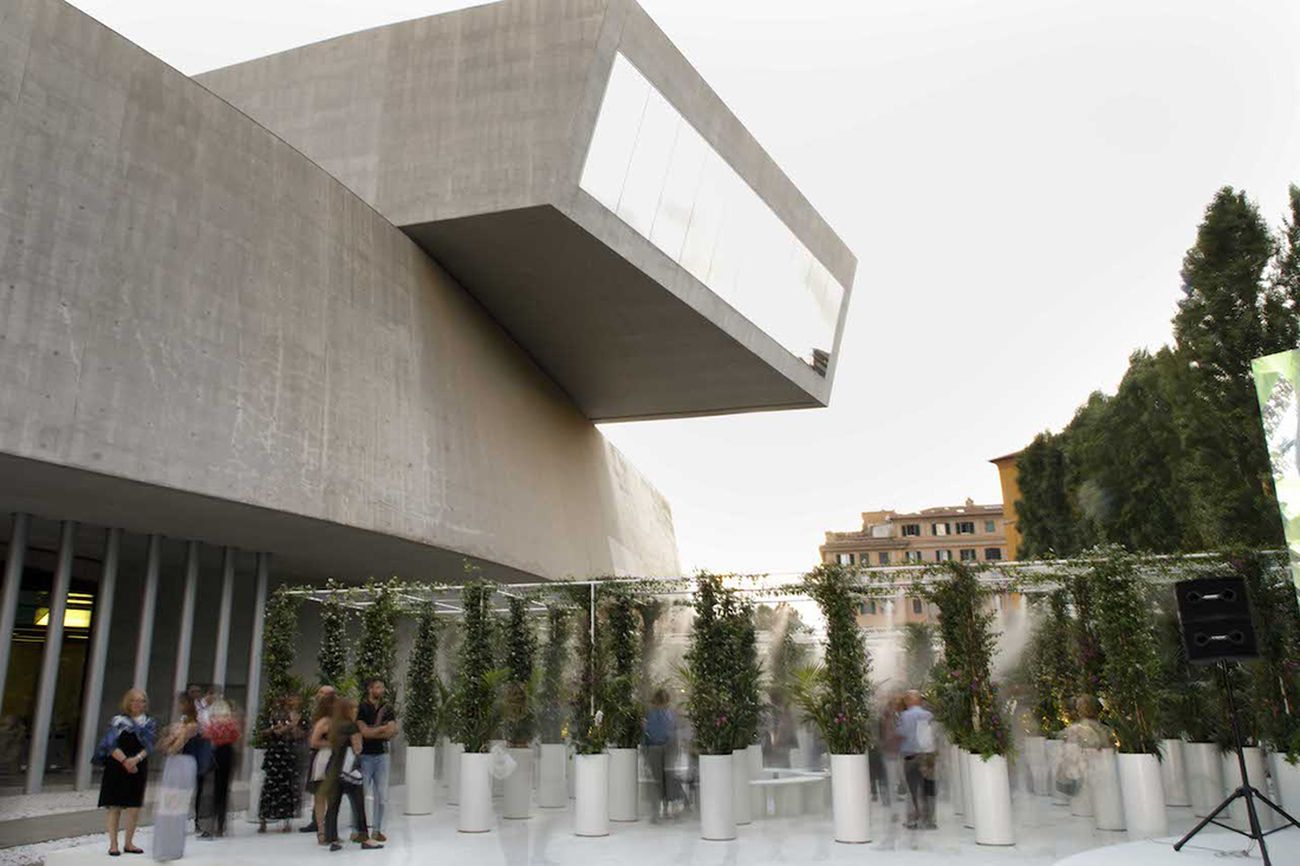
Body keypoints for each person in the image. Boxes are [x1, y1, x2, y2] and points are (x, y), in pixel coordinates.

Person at [96, 688, 157, 856]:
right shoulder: (118, 721)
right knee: (114, 806)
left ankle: (129, 842)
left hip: (138, 766)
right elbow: (110, 744)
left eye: (142, 700)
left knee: (134, 807)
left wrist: (135, 760)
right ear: (127, 702)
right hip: (116, 765)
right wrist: (125, 761)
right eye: (134, 700)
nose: (138, 704)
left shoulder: (149, 723)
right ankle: (113, 844)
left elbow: (149, 746)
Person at [321, 697, 382, 851]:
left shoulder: (335, 726)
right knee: (358, 804)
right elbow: (357, 747)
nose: (356, 711)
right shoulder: (352, 726)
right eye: (353, 709)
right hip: (350, 770)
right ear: (347, 710)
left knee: (333, 806)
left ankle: (332, 838)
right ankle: (364, 837)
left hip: (334, 768)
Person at [153, 693, 205, 861]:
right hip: (175, 764)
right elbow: (162, 745)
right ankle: (165, 846)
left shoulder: (191, 725)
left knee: (175, 805)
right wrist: (168, 736)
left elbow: (174, 747)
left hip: (183, 764)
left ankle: (171, 848)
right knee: (168, 805)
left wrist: (173, 738)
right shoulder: (182, 724)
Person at [356, 678, 398, 842]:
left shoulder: (387, 708)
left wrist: (373, 730)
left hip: (382, 755)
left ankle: (377, 829)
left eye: (382, 687)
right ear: (370, 689)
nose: (381, 690)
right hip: (365, 755)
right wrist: (381, 729)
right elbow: (363, 732)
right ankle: (361, 830)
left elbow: (392, 731)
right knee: (361, 794)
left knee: (382, 795)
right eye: (378, 687)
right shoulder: (361, 707)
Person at [259, 694, 304, 832]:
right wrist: (275, 729)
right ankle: (264, 819)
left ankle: (287, 820)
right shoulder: (274, 716)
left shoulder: (300, 717)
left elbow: (301, 734)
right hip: (275, 753)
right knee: (269, 785)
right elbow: (264, 732)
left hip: (289, 753)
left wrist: (291, 727)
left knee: (288, 785)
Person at [199, 698, 242, 837]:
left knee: (215, 790)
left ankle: (213, 824)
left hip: (218, 754)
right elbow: (236, 737)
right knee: (222, 790)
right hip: (226, 754)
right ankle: (220, 824)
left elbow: (207, 735)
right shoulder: (232, 725)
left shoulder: (215, 726)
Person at [895, 690, 937, 829]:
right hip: (927, 756)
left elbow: (900, 734)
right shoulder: (928, 715)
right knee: (928, 787)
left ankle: (913, 820)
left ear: (908, 701)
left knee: (912, 788)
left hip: (911, 755)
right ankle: (929, 820)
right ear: (920, 701)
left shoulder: (904, 716)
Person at [299, 685, 336, 835]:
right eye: (320, 692)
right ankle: (320, 826)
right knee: (320, 793)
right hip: (322, 756)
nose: (321, 696)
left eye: (325, 694)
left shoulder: (336, 717)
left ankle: (326, 826)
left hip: (333, 757)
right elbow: (313, 740)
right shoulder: (321, 718)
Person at [643, 688, 678, 821]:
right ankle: (660, 809)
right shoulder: (657, 714)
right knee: (661, 779)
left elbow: (648, 733)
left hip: (660, 748)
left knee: (662, 779)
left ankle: (662, 809)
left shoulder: (659, 714)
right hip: (658, 748)